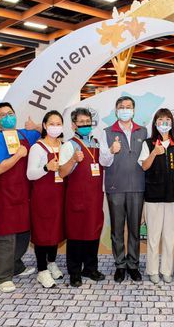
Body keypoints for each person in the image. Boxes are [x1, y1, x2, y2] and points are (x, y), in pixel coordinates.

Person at [0, 102, 40, 293]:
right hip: (6, 195)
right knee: (7, 236)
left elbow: (49, 132)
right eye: (2, 115)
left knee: (25, 232)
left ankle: (16, 265)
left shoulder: (26, 135)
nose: (7, 117)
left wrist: (36, 126)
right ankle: (2, 276)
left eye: (10, 113)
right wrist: (18, 155)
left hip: (26, 193)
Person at [99, 96, 147, 283]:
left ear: (134, 110)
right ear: (116, 110)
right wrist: (111, 150)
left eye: (128, 107)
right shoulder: (107, 132)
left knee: (135, 228)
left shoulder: (142, 131)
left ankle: (133, 264)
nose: (125, 110)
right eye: (121, 107)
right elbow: (103, 162)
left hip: (137, 186)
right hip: (115, 186)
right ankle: (120, 264)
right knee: (117, 229)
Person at [138, 108, 174, 284]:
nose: (164, 123)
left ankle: (166, 270)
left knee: (169, 236)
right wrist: (154, 152)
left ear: (172, 123)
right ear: (155, 123)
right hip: (153, 196)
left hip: (173, 196)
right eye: (160, 120)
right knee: (153, 236)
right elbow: (144, 167)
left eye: (167, 120)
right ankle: (152, 270)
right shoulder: (148, 143)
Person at [59, 108, 105, 287]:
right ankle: (75, 272)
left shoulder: (95, 143)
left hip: (94, 198)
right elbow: (62, 173)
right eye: (81, 122)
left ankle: (90, 268)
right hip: (77, 199)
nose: (85, 125)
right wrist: (72, 160)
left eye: (88, 122)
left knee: (93, 234)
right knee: (76, 236)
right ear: (73, 125)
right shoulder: (69, 145)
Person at [26, 111, 66, 288]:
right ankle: (42, 270)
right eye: (52, 123)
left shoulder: (64, 146)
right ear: (44, 125)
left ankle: (51, 262)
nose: (55, 127)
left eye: (59, 124)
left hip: (60, 195)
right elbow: (30, 174)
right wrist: (46, 167)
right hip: (42, 196)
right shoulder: (37, 147)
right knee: (43, 233)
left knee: (56, 231)